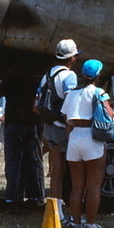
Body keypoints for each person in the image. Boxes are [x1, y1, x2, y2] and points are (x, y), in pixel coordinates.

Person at [62, 59, 114, 228]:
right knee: (93, 186)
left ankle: (76, 223)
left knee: (77, 186)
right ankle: (91, 224)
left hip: (75, 137)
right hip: (92, 138)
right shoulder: (99, 93)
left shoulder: (71, 94)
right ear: (98, 76)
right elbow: (109, 114)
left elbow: (67, 120)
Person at [0, 74, 45, 207]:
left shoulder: (11, 81)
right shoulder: (35, 81)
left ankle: (12, 197)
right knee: (34, 161)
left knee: (13, 162)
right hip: (32, 124)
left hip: (14, 124)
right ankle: (35, 196)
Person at [37, 39, 79, 217]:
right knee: (76, 171)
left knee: (56, 172)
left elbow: (37, 101)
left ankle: (56, 210)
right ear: (72, 58)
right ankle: (72, 212)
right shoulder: (70, 76)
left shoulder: (47, 74)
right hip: (64, 127)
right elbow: (71, 102)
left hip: (49, 126)